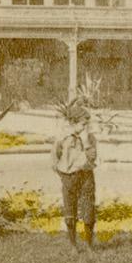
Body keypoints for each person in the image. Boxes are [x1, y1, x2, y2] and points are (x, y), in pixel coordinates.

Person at [51, 100, 98, 250]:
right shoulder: (63, 138)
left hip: (86, 175)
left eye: (87, 124)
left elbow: (92, 157)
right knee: (70, 209)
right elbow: (55, 158)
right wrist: (63, 174)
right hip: (69, 176)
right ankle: (73, 245)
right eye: (83, 124)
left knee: (88, 208)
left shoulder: (89, 139)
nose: (86, 127)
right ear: (73, 123)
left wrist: (85, 141)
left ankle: (89, 245)